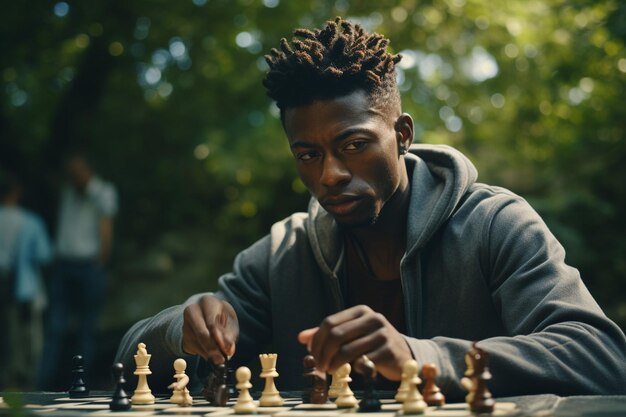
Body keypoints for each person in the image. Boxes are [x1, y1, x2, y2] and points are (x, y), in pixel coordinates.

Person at [116, 18, 626, 399]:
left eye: (354, 145)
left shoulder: (495, 225)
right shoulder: (279, 256)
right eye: (308, 155)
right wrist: (180, 329)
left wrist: (420, 358)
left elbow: (602, 358)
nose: (330, 174)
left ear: (401, 135)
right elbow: (127, 363)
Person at [38, 153, 118, 390]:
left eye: (77, 172)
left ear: (88, 170)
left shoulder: (103, 192)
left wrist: (101, 261)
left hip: (89, 267)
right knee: (55, 327)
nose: (73, 178)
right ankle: (43, 384)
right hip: (63, 265)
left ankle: (81, 383)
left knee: (87, 329)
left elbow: (106, 230)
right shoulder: (67, 191)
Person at [0, 172, 52, 389]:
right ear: (17, 193)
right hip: (26, 288)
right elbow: (44, 255)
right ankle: (28, 383)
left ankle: (7, 380)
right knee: (30, 340)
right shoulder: (30, 222)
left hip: (4, 287)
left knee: (7, 338)